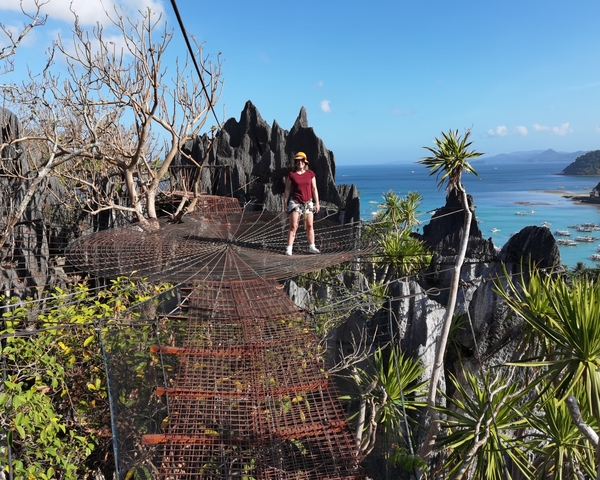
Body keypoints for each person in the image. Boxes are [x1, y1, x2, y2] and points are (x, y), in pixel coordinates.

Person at [283, 152, 320, 255]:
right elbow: (287, 190)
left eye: (302, 161)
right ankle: (289, 248)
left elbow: (314, 188)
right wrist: (285, 204)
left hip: (308, 202)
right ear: (295, 163)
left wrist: (317, 203)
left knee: (310, 226)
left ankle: (312, 246)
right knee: (293, 226)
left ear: (305, 162)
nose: (300, 163)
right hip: (296, 202)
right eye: (298, 161)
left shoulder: (310, 174)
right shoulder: (292, 175)